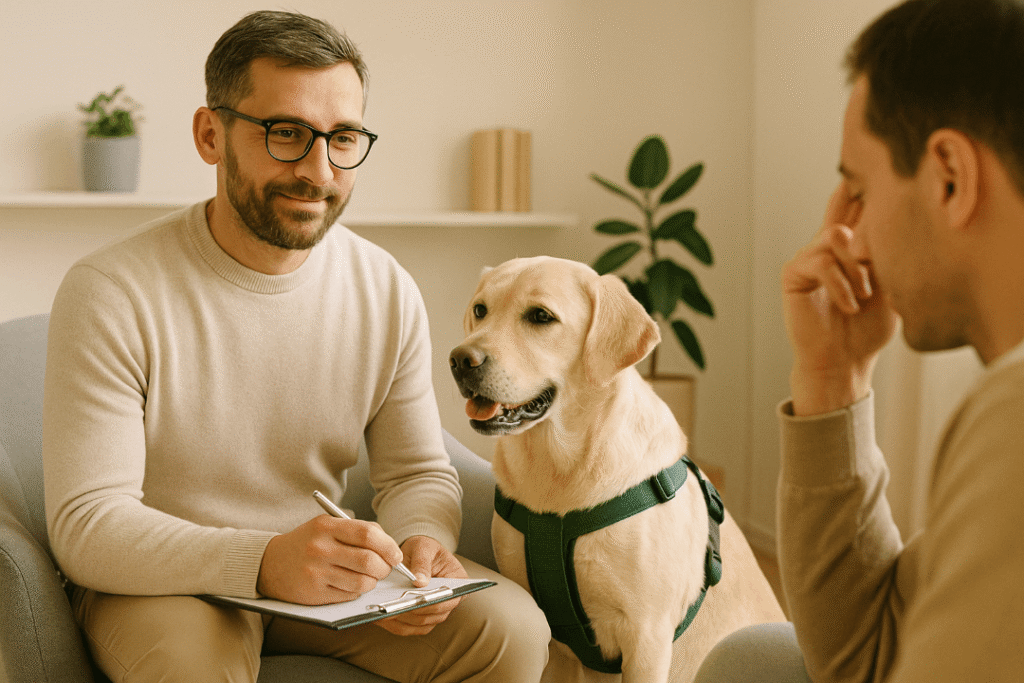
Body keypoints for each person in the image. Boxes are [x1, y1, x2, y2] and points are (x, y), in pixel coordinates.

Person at [42, 10, 549, 682]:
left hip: (330, 583)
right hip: (162, 581)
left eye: (342, 138)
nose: (318, 170)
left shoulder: (385, 287)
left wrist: (421, 544)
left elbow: (416, 472)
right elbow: (87, 523)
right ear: (209, 134)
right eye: (286, 133)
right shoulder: (110, 289)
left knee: (513, 631)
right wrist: (263, 558)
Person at [696, 0, 1024, 681]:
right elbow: (865, 653)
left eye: (859, 187)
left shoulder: (1013, 413)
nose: (851, 234)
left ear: (951, 177)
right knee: (750, 658)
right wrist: (831, 373)